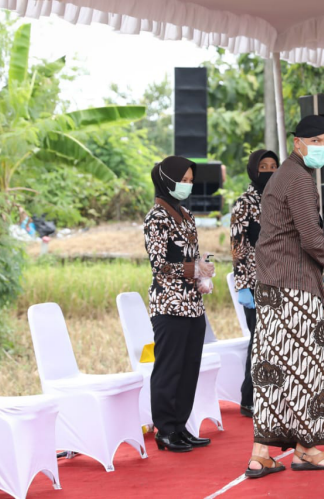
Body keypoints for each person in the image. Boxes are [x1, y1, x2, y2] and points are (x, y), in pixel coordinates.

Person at [245, 115, 324, 478]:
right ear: (297, 142)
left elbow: (298, 235)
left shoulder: (286, 175)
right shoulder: (298, 178)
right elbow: (311, 237)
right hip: (292, 288)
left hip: (275, 284)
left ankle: (263, 453)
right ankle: (306, 449)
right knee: (307, 371)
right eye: (317, 141)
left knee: (273, 369)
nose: (323, 149)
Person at [144, 156, 215, 453]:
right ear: (166, 180)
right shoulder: (156, 218)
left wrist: (203, 271)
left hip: (192, 304)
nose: (186, 185)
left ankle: (180, 426)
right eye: (181, 180)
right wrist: (193, 270)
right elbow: (160, 265)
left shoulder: (186, 215)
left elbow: (190, 257)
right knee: (169, 368)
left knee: (189, 368)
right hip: (169, 305)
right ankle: (165, 430)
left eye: (189, 180)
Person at [230, 149, 279, 417]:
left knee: (278, 341)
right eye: (264, 166)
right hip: (256, 283)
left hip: (282, 281)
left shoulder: (281, 198)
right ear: (253, 169)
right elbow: (238, 247)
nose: (269, 171)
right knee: (261, 340)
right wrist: (243, 286)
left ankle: (271, 395)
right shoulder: (243, 203)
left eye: (273, 166)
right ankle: (249, 398)